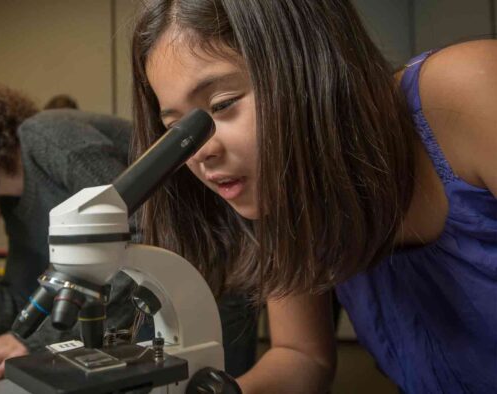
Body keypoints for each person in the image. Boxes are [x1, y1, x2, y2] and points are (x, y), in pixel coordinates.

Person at [130, 1, 496, 393]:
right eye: (175, 129)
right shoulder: (285, 190)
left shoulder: (470, 88)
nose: (199, 151)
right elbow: (300, 356)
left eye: (221, 105)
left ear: (307, 61)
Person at [0, 80, 258, 383]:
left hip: (205, 299)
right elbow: (13, 318)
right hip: (150, 322)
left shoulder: (48, 136)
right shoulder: (14, 205)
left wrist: (30, 343)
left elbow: (143, 235)